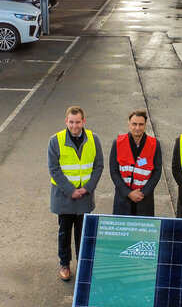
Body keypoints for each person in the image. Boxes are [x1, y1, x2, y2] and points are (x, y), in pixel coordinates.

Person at [47, 105, 103, 281]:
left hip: (84, 196)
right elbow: (54, 169)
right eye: (71, 122)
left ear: (83, 121)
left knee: (83, 232)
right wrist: (71, 190)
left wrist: (87, 188)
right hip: (64, 196)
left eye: (78, 122)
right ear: (66, 121)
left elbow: (98, 166)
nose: (74, 125)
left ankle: (82, 263)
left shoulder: (94, 139)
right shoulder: (55, 140)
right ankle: (64, 264)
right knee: (64, 232)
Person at [109, 109, 162, 216]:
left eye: (141, 124)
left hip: (144, 200)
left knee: (143, 232)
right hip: (123, 200)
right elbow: (114, 171)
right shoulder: (118, 143)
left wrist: (144, 192)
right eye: (134, 124)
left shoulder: (154, 144)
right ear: (129, 124)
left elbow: (157, 171)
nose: (137, 128)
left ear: (145, 125)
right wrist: (128, 193)